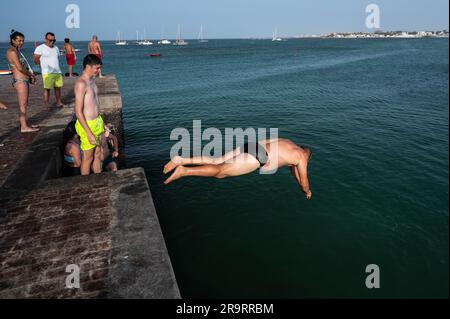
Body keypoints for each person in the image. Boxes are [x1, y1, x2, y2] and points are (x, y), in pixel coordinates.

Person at [163, 138, 313, 199]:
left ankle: (181, 159)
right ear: (307, 156)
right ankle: (184, 170)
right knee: (220, 172)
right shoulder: (302, 157)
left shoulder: (289, 143)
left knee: (217, 161)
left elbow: (294, 172)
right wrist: (307, 192)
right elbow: (304, 182)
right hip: (260, 157)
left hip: (252, 145)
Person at [74, 54, 104, 176]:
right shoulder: (81, 83)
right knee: (87, 158)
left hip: (97, 122)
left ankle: (98, 178)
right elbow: (78, 111)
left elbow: (95, 103)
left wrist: (102, 123)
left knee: (98, 153)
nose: (98, 71)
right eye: (96, 68)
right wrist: (88, 132)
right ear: (88, 66)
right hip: (87, 125)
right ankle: (85, 184)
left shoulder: (92, 81)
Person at [6, 30, 39, 133]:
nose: (21, 43)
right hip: (20, 81)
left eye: (22, 41)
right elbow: (20, 68)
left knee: (24, 104)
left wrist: (29, 77)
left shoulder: (16, 51)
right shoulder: (12, 52)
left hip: (23, 80)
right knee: (23, 104)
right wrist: (31, 74)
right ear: (13, 40)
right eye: (19, 40)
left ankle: (25, 123)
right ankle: (24, 127)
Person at [33, 32, 65, 108]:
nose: (52, 41)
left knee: (58, 88)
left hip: (57, 71)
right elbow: (35, 59)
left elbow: (56, 58)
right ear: (45, 39)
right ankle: (46, 104)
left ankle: (58, 102)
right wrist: (42, 67)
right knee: (47, 89)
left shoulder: (56, 48)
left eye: (54, 40)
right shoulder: (40, 48)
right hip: (47, 72)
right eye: (50, 40)